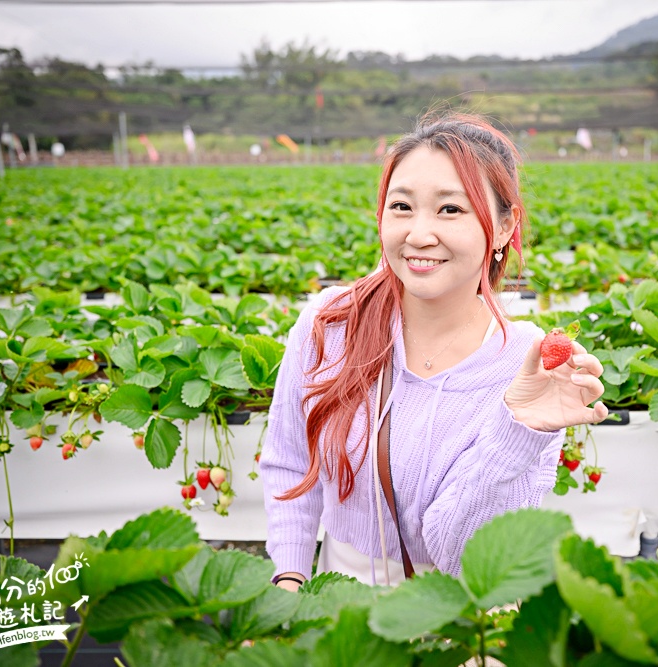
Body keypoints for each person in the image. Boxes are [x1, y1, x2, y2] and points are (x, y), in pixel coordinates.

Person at [260, 113, 608, 591]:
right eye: (401, 206)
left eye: (450, 210)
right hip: (336, 598)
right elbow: (290, 464)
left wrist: (518, 431)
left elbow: (465, 555)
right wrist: (290, 580)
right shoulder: (331, 323)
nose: (419, 234)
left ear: (505, 227)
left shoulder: (529, 367)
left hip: (463, 609)